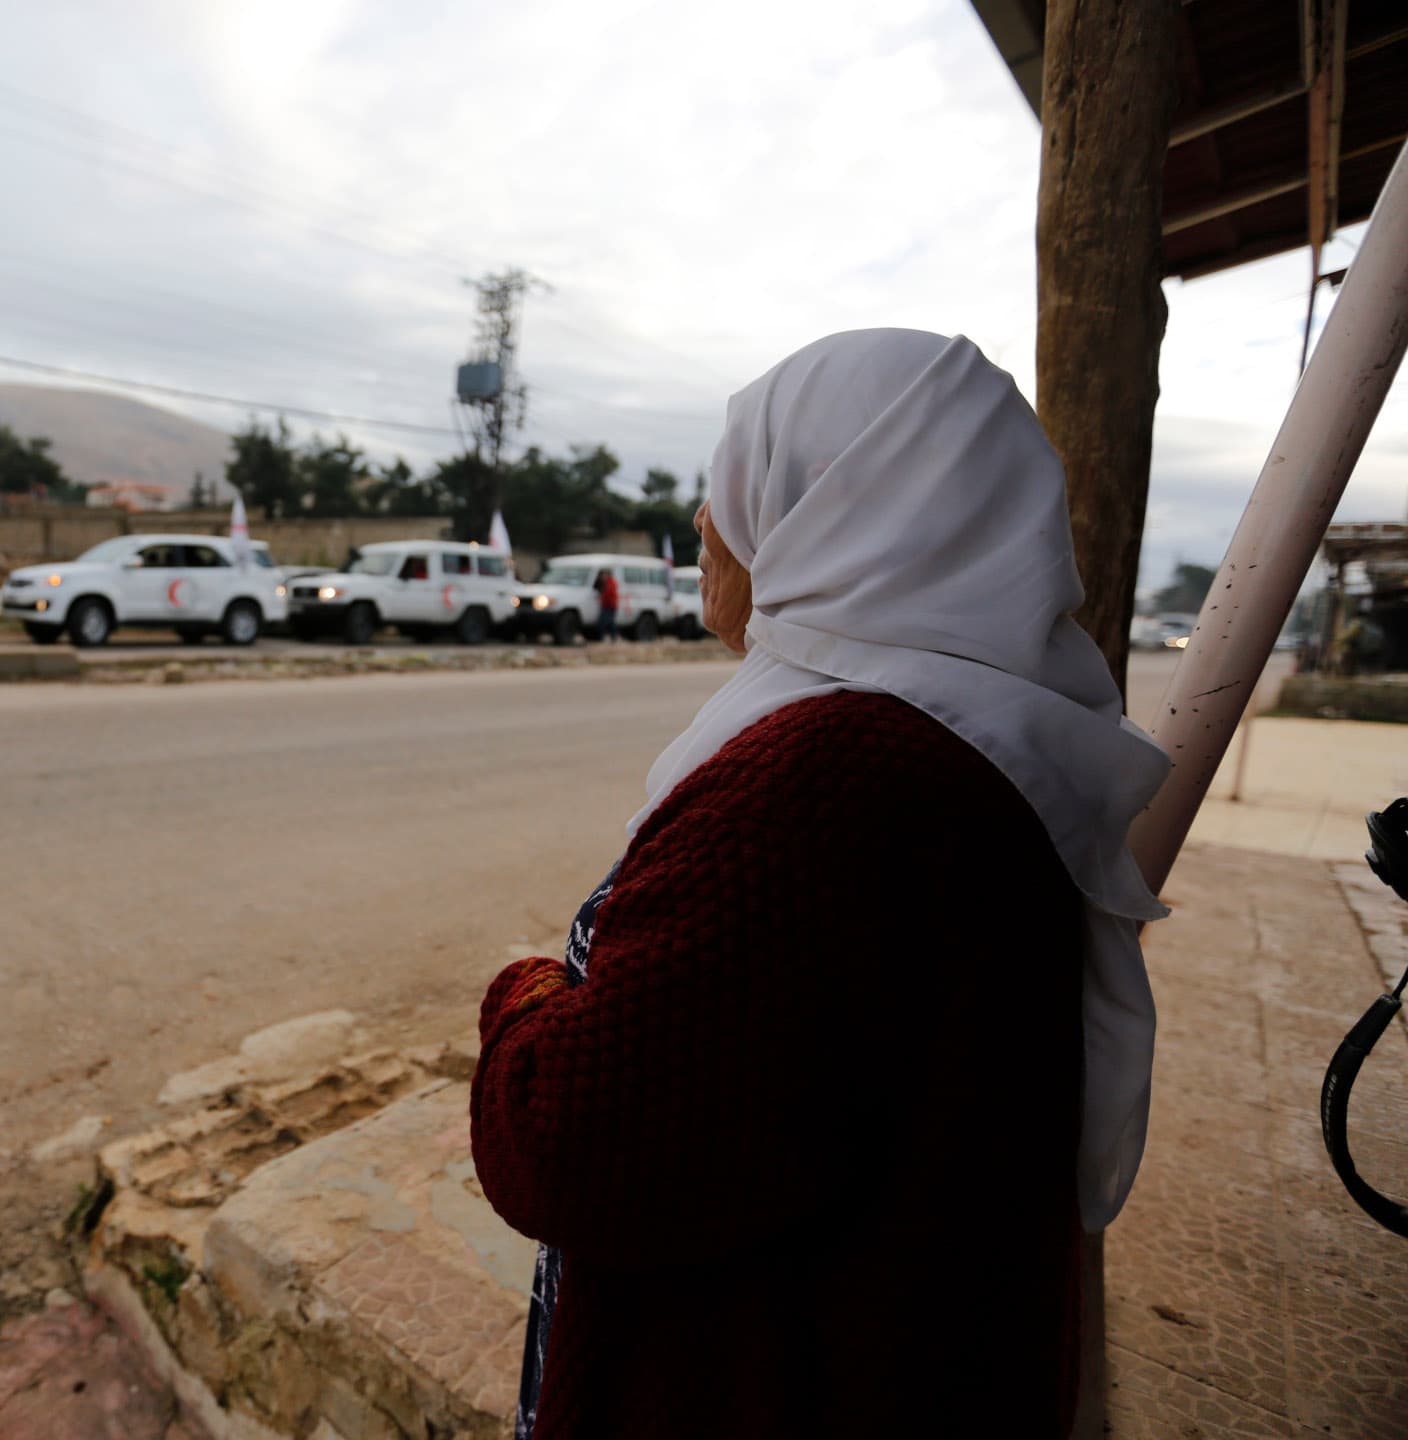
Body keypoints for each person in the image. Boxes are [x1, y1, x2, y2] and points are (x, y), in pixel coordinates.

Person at [470, 330, 1169, 1438]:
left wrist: (521, 997)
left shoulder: (826, 783)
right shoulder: (973, 740)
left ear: (847, 515)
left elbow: (579, 1143)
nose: (706, 520)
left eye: (741, 483)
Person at [593, 567, 620, 643]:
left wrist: (602, 594)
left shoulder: (611, 582)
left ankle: (603, 637)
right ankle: (612, 637)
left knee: (605, 622)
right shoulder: (606, 583)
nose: (603, 576)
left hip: (610, 605)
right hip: (606, 605)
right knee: (610, 622)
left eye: (604, 575)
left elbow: (608, 593)